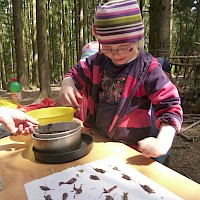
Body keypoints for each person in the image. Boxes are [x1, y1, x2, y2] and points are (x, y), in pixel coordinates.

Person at [59, 0, 183, 165]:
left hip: (130, 149)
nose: (115, 54)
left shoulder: (149, 70)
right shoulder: (98, 61)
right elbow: (74, 74)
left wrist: (163, 141)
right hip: (98, 140)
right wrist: (67, 84)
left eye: (123, 47)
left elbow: (170, 106)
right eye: (107, 48)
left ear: (137, 40)